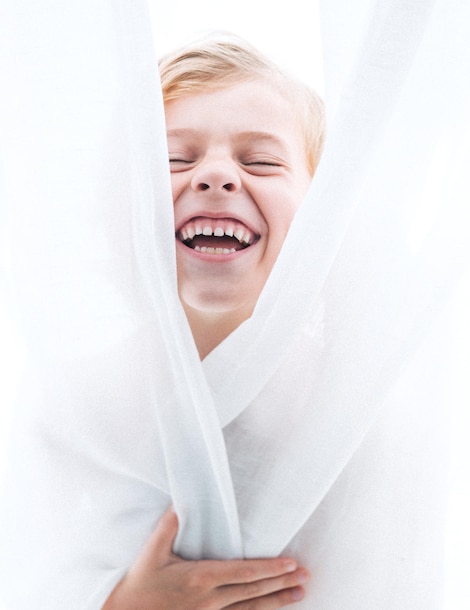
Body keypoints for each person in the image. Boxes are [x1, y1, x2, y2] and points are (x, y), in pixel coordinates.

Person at [103, 36, 325, 609]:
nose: (219, 176)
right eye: (175, 159)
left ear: (325, 218)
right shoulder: (69, 408)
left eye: (261, 162)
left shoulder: (361, 407)